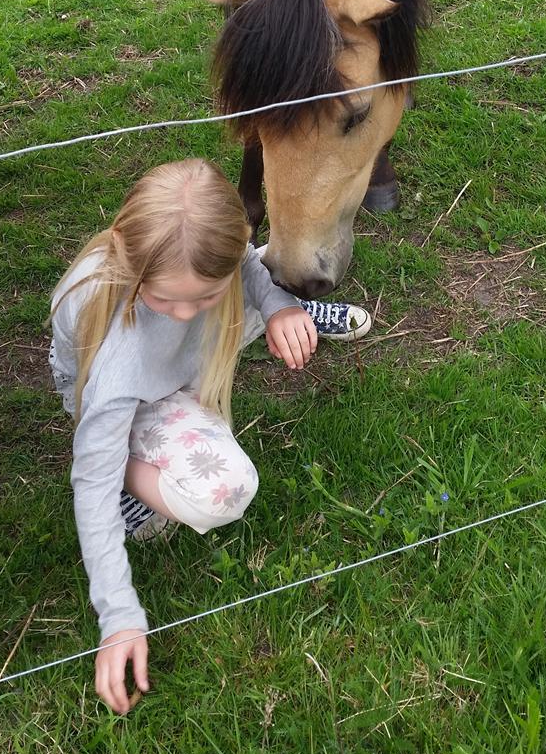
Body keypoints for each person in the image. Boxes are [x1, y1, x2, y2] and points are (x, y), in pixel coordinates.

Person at [49, 157, 370, 715]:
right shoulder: (118, 367)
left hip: (190, 348)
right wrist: (119, 614)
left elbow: (244, 262)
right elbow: (89, 488)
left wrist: (273, 304)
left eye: (199, 295)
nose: (180, 313)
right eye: (164, 298)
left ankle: (291, 311)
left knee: (260, 287)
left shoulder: (197, 270)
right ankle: (135, 464)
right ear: (130, 262)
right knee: (223, 489)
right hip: (142, 397)